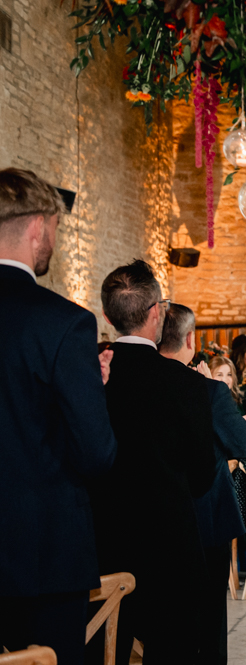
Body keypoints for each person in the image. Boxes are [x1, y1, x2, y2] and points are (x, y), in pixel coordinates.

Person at [0, 168, 117, 665]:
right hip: (43, 555)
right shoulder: (64, 323)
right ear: (37, 228)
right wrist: (91, 394)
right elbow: (96, 453)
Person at [91, 260, 217, 665]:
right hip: (171, 546)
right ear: (156, 313)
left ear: (108, 317)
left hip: (101, 545)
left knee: (104, 650)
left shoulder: (90, 376)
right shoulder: (189, 385)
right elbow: (202, 476)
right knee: (174, 651)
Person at [159, 304, 246, 665]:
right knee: (210, 616)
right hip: (207, 513)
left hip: (154, 515)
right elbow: (245, 443)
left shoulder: (137, 380)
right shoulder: (208, 391)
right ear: (190, 339)